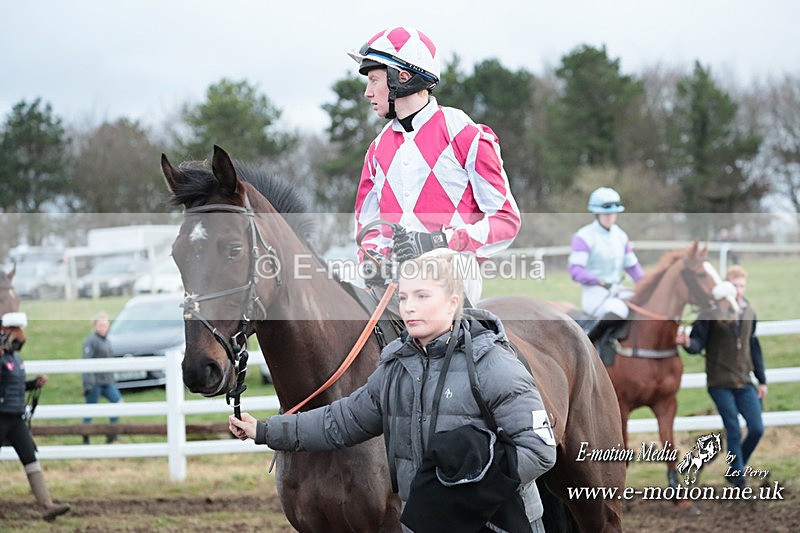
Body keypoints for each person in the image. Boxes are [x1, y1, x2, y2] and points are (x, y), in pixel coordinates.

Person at [230, 251, 556, 532]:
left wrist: (466, 489)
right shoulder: (395, 367)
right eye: (404, 298)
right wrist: (264, 430)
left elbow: (540, 449)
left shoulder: (495, 364)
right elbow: (341, 421)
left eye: (422, 296)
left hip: (496, 524)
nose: (409, 308)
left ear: (453, 303)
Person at [349, 26, 521, 304]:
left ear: (402, 77)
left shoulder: (463, 132)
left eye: (374, 80)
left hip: (451, 276)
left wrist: (438, 242)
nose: (368, 92)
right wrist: (372, 261)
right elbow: (366, 227)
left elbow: (506, 221)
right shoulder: (376, 149)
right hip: (393, 282)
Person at [676, 265, 766, 487]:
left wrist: (762, 379)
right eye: (735, 286)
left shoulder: (749, 312)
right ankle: (739, 480)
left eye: (742, 286)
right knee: (733, 428)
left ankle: (736, 468)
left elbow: (753, 346)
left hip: (745, 381)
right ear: (726, 286)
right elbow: (697, 343)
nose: (739, 290)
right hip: (719, 382)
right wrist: (687, 343)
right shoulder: (710, 314)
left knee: (757, 428)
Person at [0, 311, 71, 521]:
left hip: (15, 418)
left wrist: (34, 384)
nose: (21, 336)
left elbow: (16, 386)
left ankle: (47, 506)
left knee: (30, 458)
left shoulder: (16, 359)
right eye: (15, 330)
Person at [567, 187, 644, 345]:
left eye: (614, 213)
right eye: (606, 214)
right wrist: (601, 282)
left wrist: (647, 285)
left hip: (618, 290)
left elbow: (632, 267)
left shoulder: (621, 236)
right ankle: (588, 342)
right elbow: (575, 271)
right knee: (619, 310)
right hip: (595, 293)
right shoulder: (584, 236)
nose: (610, 217)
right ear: (596, 213)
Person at [81, 312, 123, 444]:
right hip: (95, 382)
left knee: (118, 403)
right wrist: (88, 384)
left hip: (108, 381)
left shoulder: (108, 341)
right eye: (100, 325)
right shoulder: (90, 341)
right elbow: (86, 362)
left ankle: (112, 433)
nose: (103, 328)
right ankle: (86, 435)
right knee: (90, 409)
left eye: (105, 325)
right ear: (95, 326)